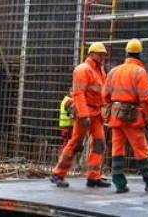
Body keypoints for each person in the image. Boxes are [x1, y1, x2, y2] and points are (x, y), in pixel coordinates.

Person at [104, 38, 148, 194]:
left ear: (126, 53)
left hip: (116, 116)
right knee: (141, 150)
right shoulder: (140, 72)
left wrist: (113, 107)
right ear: (139, 54)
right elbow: (146, 100)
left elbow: (105, 95)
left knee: (117, 150)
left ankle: (119, 184)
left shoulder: (113, 71)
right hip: (133, 119)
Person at [50, 42, 109, 189]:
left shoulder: (100, 71)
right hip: (86, 113)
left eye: (104, 55)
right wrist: (83, 115)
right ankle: (58, 174)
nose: (103, 57)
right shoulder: (83, 70)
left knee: (99, 144)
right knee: (75, 143)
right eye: (100, 54)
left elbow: (101, 92)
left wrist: (105, 108)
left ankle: (93, 177)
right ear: (91, 54)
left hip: (97, 114)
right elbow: (78, 94)